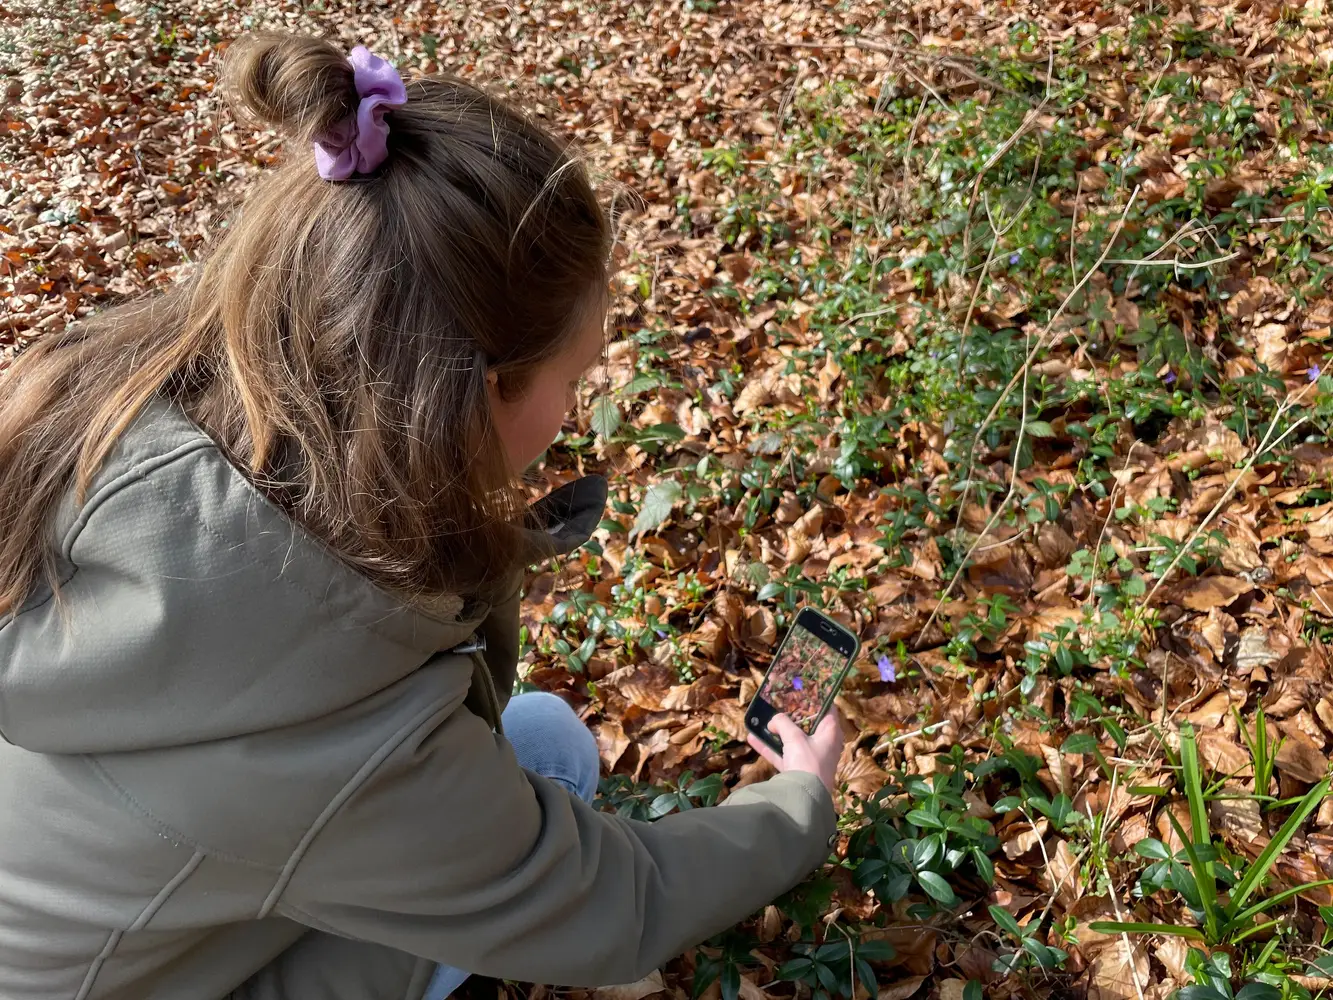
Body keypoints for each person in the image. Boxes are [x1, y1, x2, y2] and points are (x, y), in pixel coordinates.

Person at [0, 33, 844, 1000]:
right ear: (481, 395)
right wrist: (799, 802)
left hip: (106, 916)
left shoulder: (130, 411)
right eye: (575, 376)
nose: (576, 406)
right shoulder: (339, 729)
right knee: (547, 777)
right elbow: (615, 906)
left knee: (548, 745)